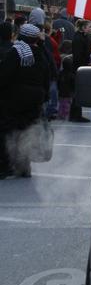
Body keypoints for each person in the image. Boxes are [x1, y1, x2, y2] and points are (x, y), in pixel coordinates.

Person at [0, 23, 50, 177]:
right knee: (27, 132)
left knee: (6, 132)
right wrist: (43, 96)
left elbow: (4, 76)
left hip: (14, 99)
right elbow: (48, 76)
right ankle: (23, 167)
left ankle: (5, 167)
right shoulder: (41, 53)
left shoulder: (16, 52)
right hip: (35, 99)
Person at [69, 19, 91, 122]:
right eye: (89, 27)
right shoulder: (79, 38)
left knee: (78, 92)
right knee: (77, 92)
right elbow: (78, 56)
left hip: (81, 67)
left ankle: (76, 114)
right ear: (83, 28)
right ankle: (75, 115)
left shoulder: (83, 37)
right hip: (79, 68)